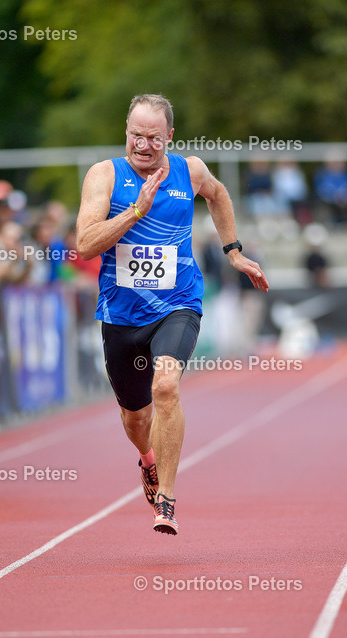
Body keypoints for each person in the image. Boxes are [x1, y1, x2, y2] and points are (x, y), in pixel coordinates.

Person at [76, 93, 268, 534]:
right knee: (135, 417)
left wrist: (233, 252)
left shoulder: (190, 170)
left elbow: (218, 196)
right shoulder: (104, 175)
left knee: (166, 386)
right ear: (126, 131)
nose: (143, 146)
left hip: (178, 304)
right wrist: (136, 210)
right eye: (136, 135)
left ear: (170, 138)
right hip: (121, 314)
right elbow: (85, 244)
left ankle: (167, 497)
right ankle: (147, 460)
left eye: (153, 138)